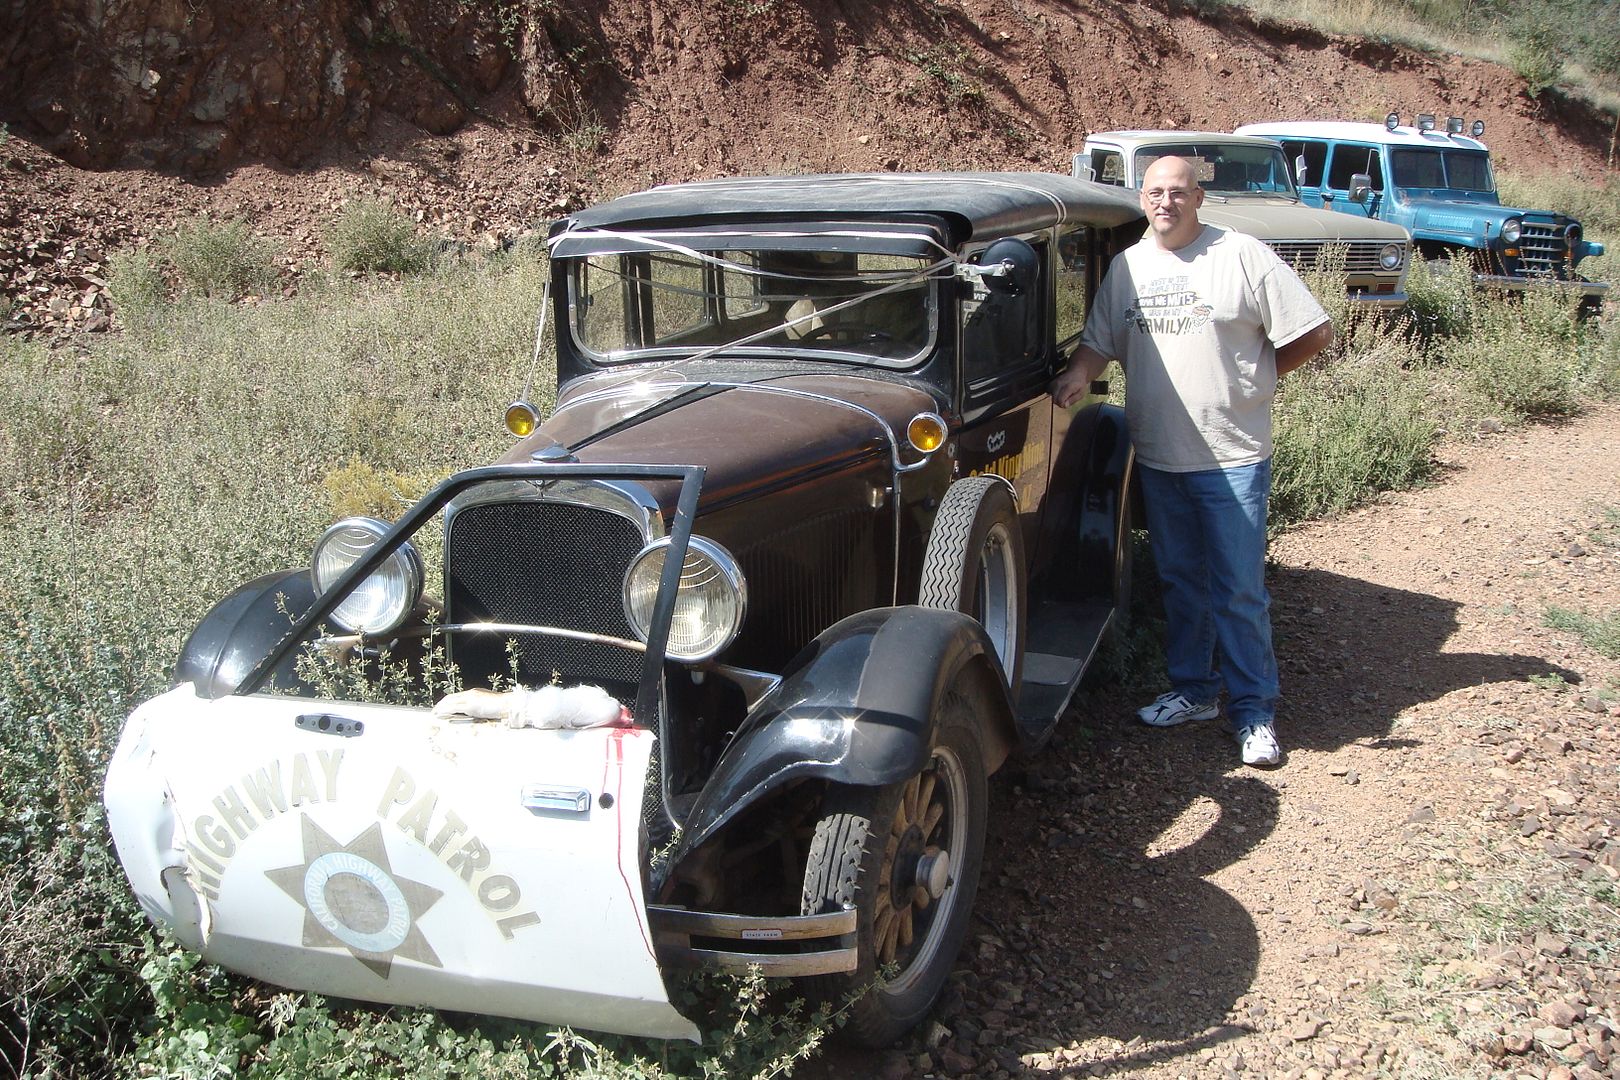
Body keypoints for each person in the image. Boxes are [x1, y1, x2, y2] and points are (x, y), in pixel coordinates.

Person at [1052, 155, 1333, 766]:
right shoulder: (1128, 267)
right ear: (1142, 198)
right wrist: (1076, 376)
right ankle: (1196, 691)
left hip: (1232, 455)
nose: (1166, 203)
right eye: (1155, 192)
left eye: (1178, 192)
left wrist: (1257, 380)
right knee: (1182, 583)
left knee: (1237, 590)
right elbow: (1099, 342)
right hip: (1159, 454)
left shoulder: (1241, 255)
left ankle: (1254, 712)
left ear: (1199, 198)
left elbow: (1312, 332)